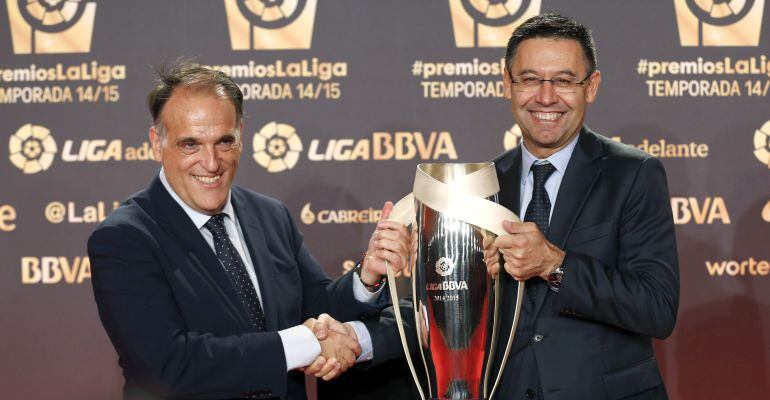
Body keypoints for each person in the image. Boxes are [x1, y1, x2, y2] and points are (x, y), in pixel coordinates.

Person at [354, 13, 679, 400]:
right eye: (529, 79)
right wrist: (360, 327)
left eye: (563, 80)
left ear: (591, 87)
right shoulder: (481, 185)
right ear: (507, 84)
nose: (545, 97)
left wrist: (555, 264)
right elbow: (444, 305)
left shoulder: (634, 173)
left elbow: (656, 307)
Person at [88, 62, 411, 400]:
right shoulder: (123, 239)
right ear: (157, 143)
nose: (211, 163)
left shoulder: (269, 215)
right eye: (190, 145)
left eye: (224, 142)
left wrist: (368, 275)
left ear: (241, 137)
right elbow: (171, 365)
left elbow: (318, 309)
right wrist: (306, 342)